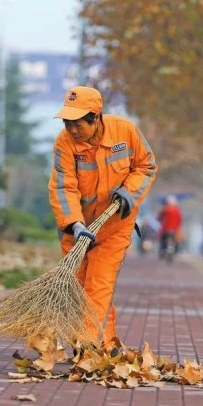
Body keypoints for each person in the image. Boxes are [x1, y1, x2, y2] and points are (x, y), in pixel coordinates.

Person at [48, 86, 157, 346]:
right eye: (67, 123)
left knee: (98, 287)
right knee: (78, 288)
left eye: (78, 124)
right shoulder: (64, 143)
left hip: (113, 228)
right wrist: (75, 224)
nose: (72, 130)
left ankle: (88, 346)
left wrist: (129, 193)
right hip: (77, 230)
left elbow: (147, 165)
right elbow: (63, 187)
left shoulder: (125, 131)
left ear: (95, 117)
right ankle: (103, 345)